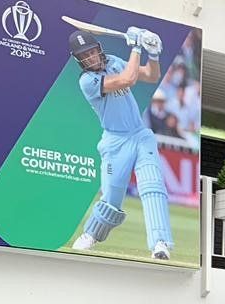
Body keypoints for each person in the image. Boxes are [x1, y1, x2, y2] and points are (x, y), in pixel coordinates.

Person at [68, 26, 174, 261]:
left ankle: (160, 243)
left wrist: (153, 53)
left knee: (152, 186)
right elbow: (128, 79)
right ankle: (90, 235)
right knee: (111, 200)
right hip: (115, 142)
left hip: (140, 135)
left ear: (98, 49)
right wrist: (136, 46)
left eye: (91, 52)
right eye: (83, 56)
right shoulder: (87, 81)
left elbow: (150, 75)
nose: (89, 58)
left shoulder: (114, 60)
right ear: (79, 61)